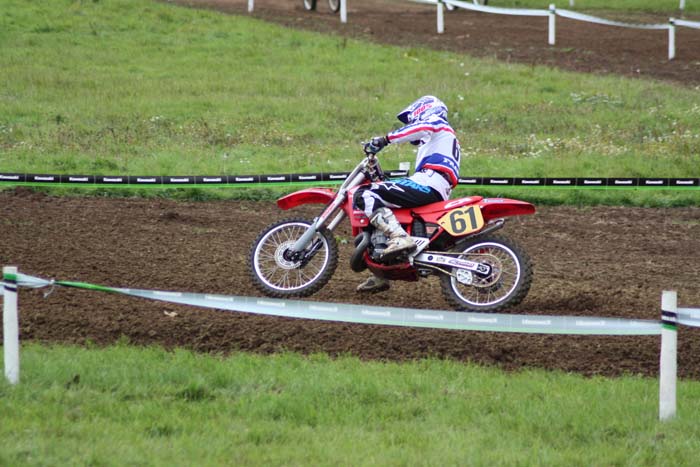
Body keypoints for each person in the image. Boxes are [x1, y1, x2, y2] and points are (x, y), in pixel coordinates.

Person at [354, 95, 461, 293]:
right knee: (385, 201)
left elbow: (420, 128)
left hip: (429, 183)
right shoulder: (440, 137)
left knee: (365, 194)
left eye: (413, 118)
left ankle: (399, 237)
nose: (411, 123)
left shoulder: (438, 123)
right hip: (434, 185)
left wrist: (385, 139)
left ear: (424, 111)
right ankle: (381, 273)